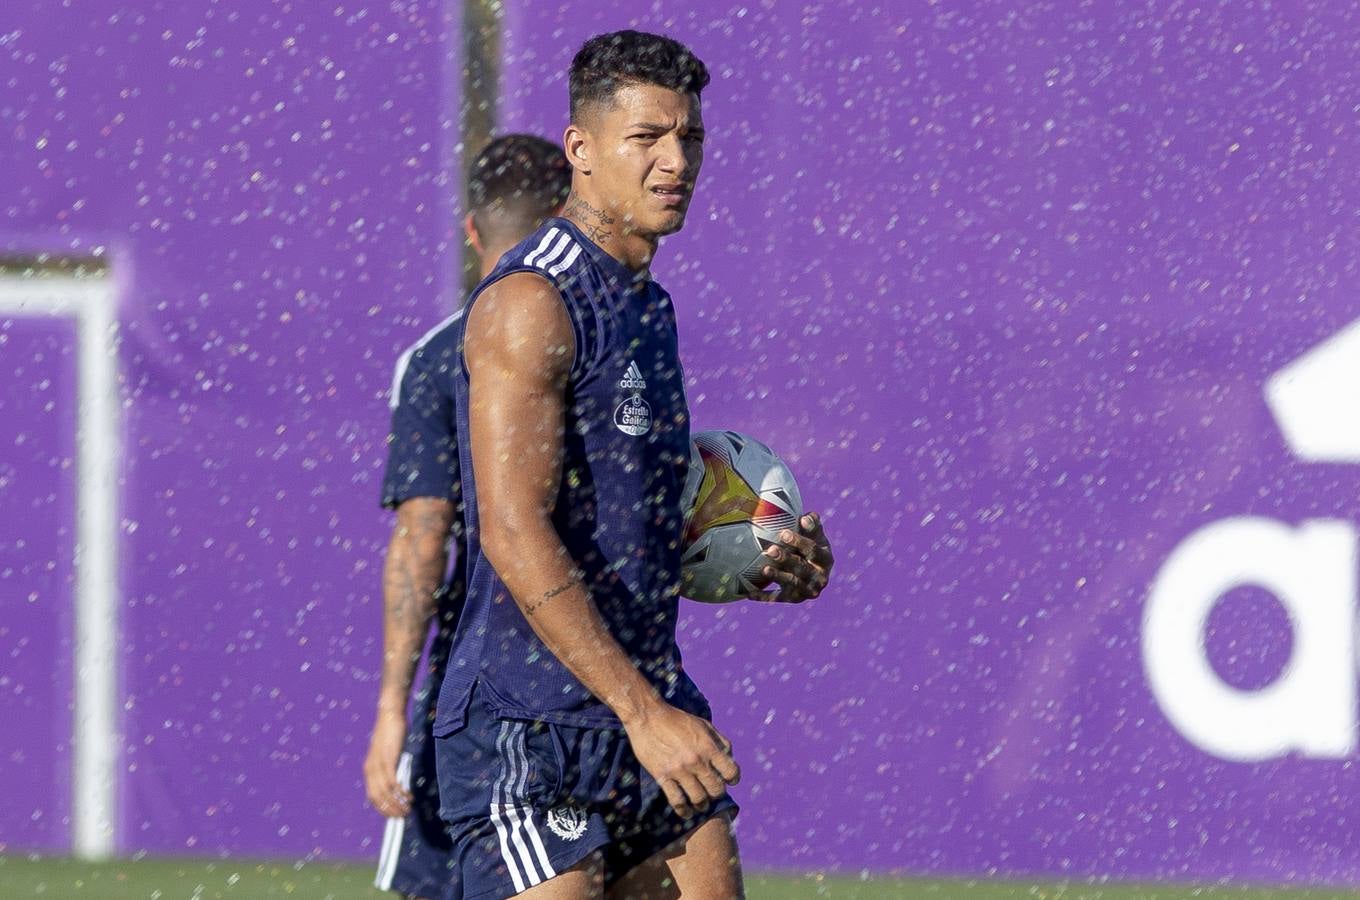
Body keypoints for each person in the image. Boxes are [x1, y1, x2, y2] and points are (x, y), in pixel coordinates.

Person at [433, 30, 836, 900]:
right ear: (580, 150)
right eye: (646, 138)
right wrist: (643, 712)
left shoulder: (650, 309)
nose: (674, 160)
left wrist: (762, 555)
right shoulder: (528, 304)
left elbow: (634, 520)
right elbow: (511, 529)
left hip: (643, 694)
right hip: (526, 721)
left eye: (688, 137)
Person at [364, 134, 573, 900]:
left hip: (473, 696)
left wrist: (391, 710)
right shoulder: (611, 337)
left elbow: (422, 540)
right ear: (564, 219)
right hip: (597, 686)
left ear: (471, 229)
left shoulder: (436, 359)